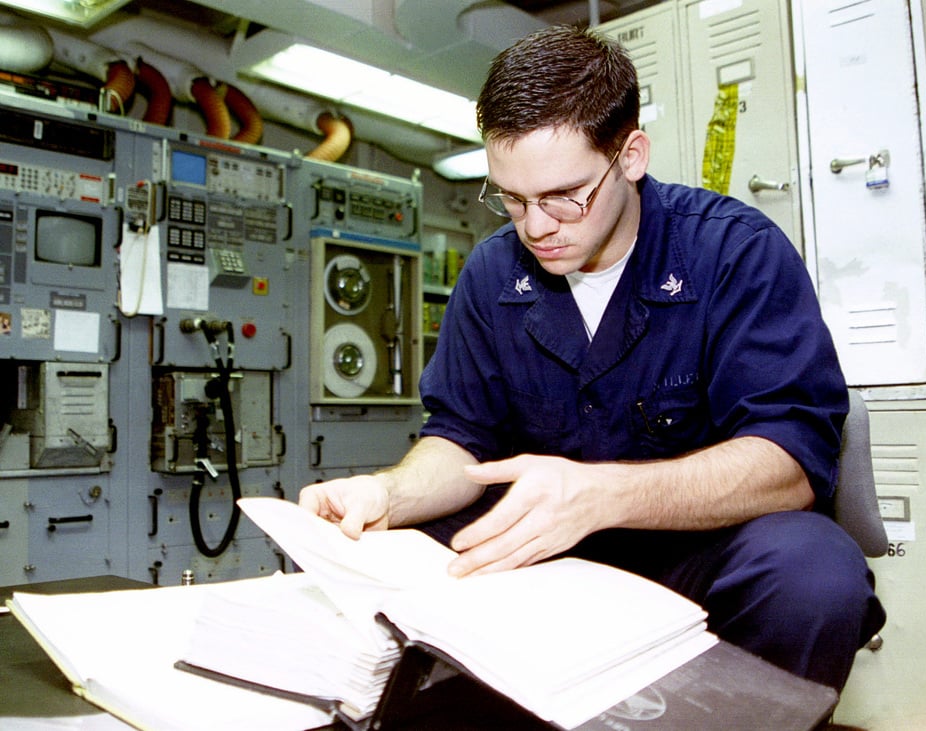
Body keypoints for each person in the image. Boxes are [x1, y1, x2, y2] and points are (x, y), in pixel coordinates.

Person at [300, 24, 884, 693]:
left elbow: (789, 462)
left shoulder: (734, 252)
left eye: (563, 195)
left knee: (813, 574)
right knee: (353, 566)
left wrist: (602, 494)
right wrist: (386, 493)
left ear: (631, 154)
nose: (536, 226)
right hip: (544, 550)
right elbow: (461, 440)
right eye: (512, 199)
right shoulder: (494, 274)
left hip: (699, 549)